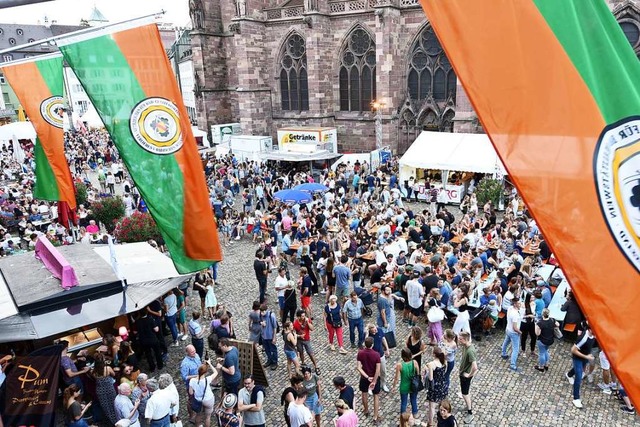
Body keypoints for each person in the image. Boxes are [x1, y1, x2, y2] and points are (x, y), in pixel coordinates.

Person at [565, 322, 596, 409]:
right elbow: (573, 350)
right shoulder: (583, 338)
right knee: (578, 377)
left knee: (578, 370)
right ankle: (576, 398)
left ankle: (569, 374)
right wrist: (586, 356)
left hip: (585, 356)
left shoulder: (593, 335)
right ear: (590, 329)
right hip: (578, 358)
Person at [356, 337, 381, 423]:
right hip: (374, 377)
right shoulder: (376, 354)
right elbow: (378, 370)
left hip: (364, 378)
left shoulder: (360, 353)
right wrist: (374, 381)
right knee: (376, 396)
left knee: (364, 393)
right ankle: (375, 416)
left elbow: (359, 368)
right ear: (372, 344)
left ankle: (366, 410)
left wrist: (367, 377)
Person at [188, 361, 218, 427]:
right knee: (208, 417)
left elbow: (191, 392)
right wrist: (210, 364)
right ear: (206, 372)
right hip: (208, 399)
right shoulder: (207, 379)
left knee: (198, 415)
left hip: (198, 400)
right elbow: (216, 372)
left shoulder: (192, 380)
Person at [393, 347, 420, 421]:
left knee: (404, 402)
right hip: (413, 385)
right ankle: (415, 413)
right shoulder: (414, 362)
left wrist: (394, 387)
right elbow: (418, 372)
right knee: (413, 399)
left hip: (404, 386)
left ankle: (403, 417)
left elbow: (396, 378)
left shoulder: (400, 365)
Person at [425, 347, 449, 426]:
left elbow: (431, 378)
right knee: (442, 403)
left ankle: (431, 423)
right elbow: (444, 372)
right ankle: (444, 416)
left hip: (435, 388)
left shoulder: (432, 364)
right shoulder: (444, 361)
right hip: (443, 385)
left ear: (434, 354)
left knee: (432, 407)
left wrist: (427, 370)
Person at [458, 331, 477, 424]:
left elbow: (475, 367)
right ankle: (467, 405)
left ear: (465, 340)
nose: (459, 340)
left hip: (465, 376)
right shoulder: (465, 346)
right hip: (463, 374)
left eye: (460, 339)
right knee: (465, 392)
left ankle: (470, 412)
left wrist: (469, 375)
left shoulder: (470, 351)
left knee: (465, 393)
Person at [293, 309, 319, 374]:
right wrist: (299, 336)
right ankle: (303, 363)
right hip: (299, 340)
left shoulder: (307, 320)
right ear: (298, 317)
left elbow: (312, 329)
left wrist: (308, 322)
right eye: (302, 316)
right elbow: (293, 333)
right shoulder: (295, 323)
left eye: (304, 315)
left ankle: (316, 366)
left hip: (307, 340)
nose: (304, 317)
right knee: (301, 352)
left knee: (310, 353)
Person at [500, 296, 522, 373]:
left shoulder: (510, 308)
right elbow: (515, 327)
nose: (520, 304)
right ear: (515, 304)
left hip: (508, 329)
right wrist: (520, 332)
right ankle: (513, 365)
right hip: (514, 332)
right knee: (516, 349)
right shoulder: (515, 314)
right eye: (519, 303)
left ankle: (503, 353)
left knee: (506, 341)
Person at [535, 308, 558, 372]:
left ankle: (541, 367)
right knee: (546, 351)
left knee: (542, 353)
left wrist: (535, 325)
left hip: (542, 341)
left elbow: (537, 333)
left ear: (542, 314)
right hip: (550, 340)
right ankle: (546, 365)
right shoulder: (552, 320)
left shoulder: (540, 323)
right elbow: (558, 324)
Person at [260, 302, 279, 370]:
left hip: (270, 336)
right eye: (261, 312)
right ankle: (269, 360)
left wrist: (274, 337)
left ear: (266, 310)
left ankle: (274, 362)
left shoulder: (271, 315)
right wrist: (261, 323)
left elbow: (275, 327)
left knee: (273, 350)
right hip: (264, 336)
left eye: (263, 312)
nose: (262, 313)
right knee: (267, 349)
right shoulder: (261, 315)